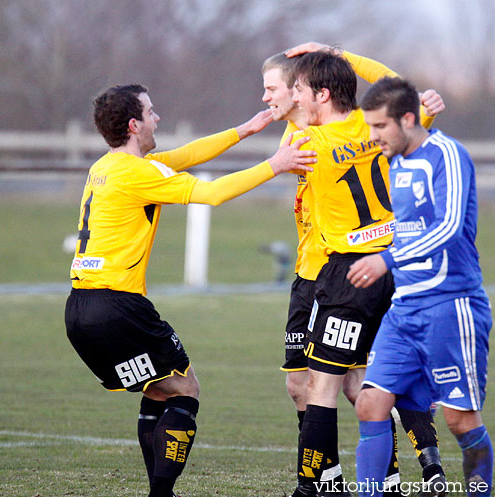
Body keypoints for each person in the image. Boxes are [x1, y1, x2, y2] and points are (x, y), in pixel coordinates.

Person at [64, 83, 315, 497]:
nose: (157, 118)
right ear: (133, 124)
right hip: (118, 306)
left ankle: (160, 493)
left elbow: (184, 156)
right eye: (150, 111)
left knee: (159, 389)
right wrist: (276, 164)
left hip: (79, 309)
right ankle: (162, 493)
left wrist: (245, 131)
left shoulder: (105, 167)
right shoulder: (141, 173)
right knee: (186, 389)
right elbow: (212, 193)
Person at [282, 45, 445, 497]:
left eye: (299, 91)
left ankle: (310, 488)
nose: (294, 99)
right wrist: (337, 53)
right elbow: (399, 86)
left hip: (349, 275)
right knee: (379, 384)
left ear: (322, 94)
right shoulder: (382, 126)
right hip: (397, 268)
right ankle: (398, 480)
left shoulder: (304, 143)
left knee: (324, 389)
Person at [349, 77, 493, 497]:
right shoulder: (396, 162)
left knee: (460, 421)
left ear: (408, 119)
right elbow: (407, 231)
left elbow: (447, 228)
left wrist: (386, 259)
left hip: (452, 305)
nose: (373, 137)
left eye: (379, 127)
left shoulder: (447, 154)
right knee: (371, 403)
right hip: (405, 308)